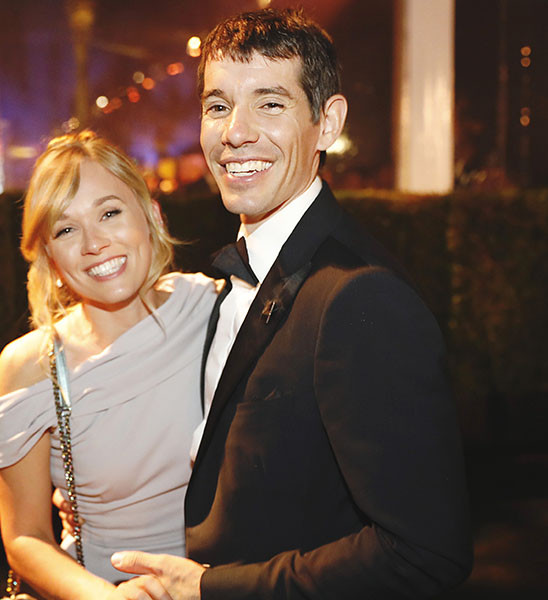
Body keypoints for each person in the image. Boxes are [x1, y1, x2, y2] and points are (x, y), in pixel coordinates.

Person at [104, 8, 473, 599]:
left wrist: (210, 589)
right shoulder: (231, 279)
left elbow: (425, 553)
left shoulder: (360, 297)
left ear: (328, 123)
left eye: (270, 104)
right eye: (218, 105)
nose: (235, 132)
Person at [0, 131, 219, 599]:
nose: (94, 244)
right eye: (66, 230)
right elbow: (25, 536)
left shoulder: (216, 309)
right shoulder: (31, 367)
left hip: (223, 584)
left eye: (109, 213)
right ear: (49, 257)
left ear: (151, 215)